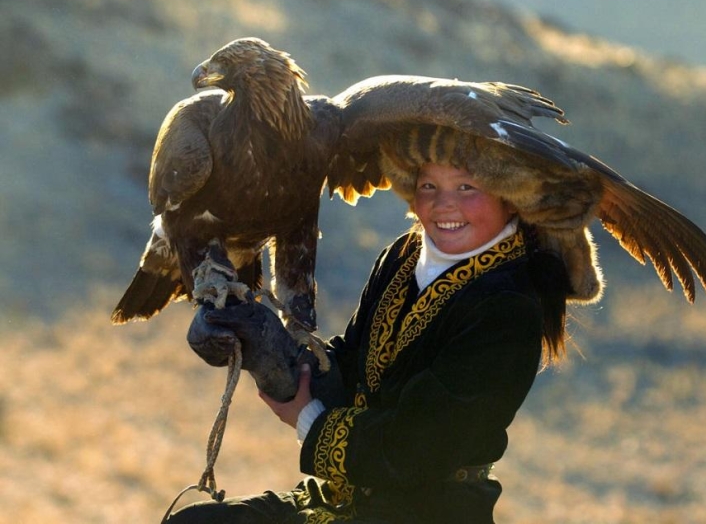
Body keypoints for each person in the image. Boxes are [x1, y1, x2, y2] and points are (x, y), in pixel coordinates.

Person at [168, 160, 572, 523]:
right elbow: (349, 363)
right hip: (348, 496)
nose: (443, 204)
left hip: (430, 510)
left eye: (466, 187)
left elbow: (423, 445)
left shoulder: (509, 304)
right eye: (429, 185)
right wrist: (259, 342)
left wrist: (310, 421)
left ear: (511, 197)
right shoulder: (402, 255)